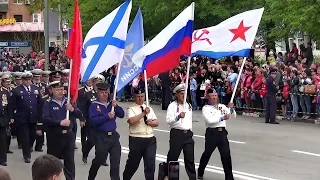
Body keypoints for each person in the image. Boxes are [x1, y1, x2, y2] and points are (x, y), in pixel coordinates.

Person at [42, 81, 82, 180]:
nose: (60, 92)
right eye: (57, 90)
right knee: (53, 163)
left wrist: (72, 109)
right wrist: (59, 122)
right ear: (52, 91)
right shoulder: (48, 102)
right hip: (54, 136)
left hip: (68, 136)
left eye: (61, 89)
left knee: (69, 162)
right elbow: (45, 118)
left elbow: (80, 114)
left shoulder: (69, 101)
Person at [87, 82, 124, 180]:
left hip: (113, 137)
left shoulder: (111, 104)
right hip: (101, 137)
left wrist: (116, 106)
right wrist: (107, 116)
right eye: (102, 92)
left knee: (115, 164)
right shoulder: (94, 105)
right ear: (98, 93)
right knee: (99, 160)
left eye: (106, 92)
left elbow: (122, 114)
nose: (104, 94)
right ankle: (91, 177)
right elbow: (93, 121)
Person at [197, 89, 235, 180]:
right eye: (212, 96)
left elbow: (232, 116)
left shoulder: (222, 106)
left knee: (226, 156)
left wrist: (232, 108)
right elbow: (210, 121)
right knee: (207, 154)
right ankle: (200, 171)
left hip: (222, 133)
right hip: (212, 133)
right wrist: (222, 118)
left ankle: (229, 177)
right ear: (208, 97)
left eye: (215, 95)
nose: (214, 97)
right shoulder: (206, 108)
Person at [123, 88, 159, 180]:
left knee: (150, 165)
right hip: (136, 139)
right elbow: (131, 121)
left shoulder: (149, 108)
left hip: (150, 139)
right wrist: (143, 113)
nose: (140, 98)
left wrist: (152, 123)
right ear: (134, 97)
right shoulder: (131, 109)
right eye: (138, 97)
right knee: (133, 164)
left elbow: (156, 122)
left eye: (142, 96)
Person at [164, 83, 196, 180]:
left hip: (188, 135)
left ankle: (193, 178)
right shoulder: (172, 106)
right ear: (176, 95)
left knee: (190, 159)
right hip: (177, 134)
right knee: (173, 158)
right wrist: (178, 117)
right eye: (181, 94)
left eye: (185, 93)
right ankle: (168, 176)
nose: (183, 96)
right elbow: (169, 121)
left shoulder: (188, 106)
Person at [9, 72, 42, 163]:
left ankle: (29, 146)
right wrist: (11, 116)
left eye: (29, 79)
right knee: (25, 137)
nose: (27, 81)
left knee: (32, 136)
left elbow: (40, 103)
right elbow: (12, 105)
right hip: (22, 118)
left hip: (33, 117)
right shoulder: (16, 91)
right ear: (22, 80)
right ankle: (26, 155)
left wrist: (40, 116)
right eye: (25, 80)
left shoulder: (36, 89)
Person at [79, 75, 108, 166]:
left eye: (99, 83)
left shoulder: (105, 94)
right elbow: (83, 107)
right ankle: (85, 152)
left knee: (103, 141)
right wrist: (82, 119)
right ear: (93, 83)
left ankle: (101, 159)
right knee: (92, 140)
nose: (97, 85)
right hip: (91, 121)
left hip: (102, 122)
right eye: (96, 83)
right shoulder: (88, 94)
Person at [0, 83, 10, 166]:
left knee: (2, 140)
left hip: (2, 120)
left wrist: (9, 118)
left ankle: (3, 159)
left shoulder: (5, 92)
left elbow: (9, 106)